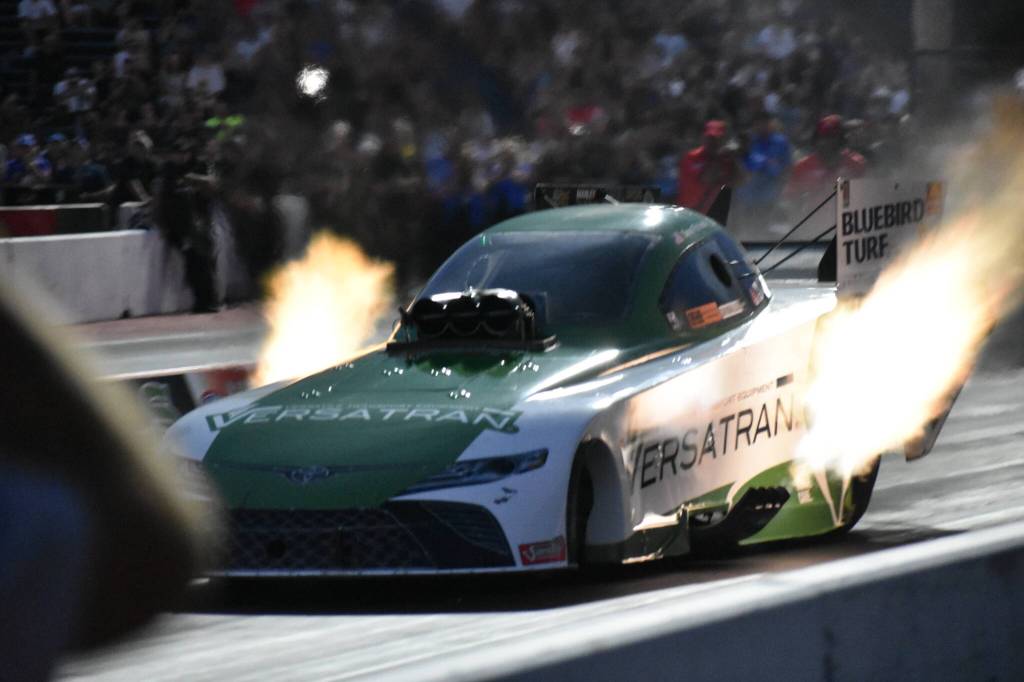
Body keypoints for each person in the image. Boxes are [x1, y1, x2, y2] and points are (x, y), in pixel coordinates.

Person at [786, 114, 867, 201]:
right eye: (822, 137)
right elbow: (789, 200)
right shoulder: (802, 167)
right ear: (816, 140)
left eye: (831, 137)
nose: (825, 142)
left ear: (842, 139)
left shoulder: (856, 164)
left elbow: (866, 197)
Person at [677, 119, 743, 214]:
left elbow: (740, 181)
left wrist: (734, 159)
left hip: (715, 214)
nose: (712, 143)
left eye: (717, 139)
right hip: (690, 213)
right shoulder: (692, 158)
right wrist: (718, 156)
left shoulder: (726, 160)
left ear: (724, 140)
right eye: (710, 138)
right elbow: (706, 179)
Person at [737, 110, 792, 213]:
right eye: (759, 123)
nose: (762, 126)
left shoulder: (781, 142)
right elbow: (739, 165)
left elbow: (787, 167)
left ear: (770, 123)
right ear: (754, 125)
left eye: (765, 122)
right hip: (747, 196)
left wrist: (782, 184)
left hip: (770, 194)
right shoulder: (747, 141)